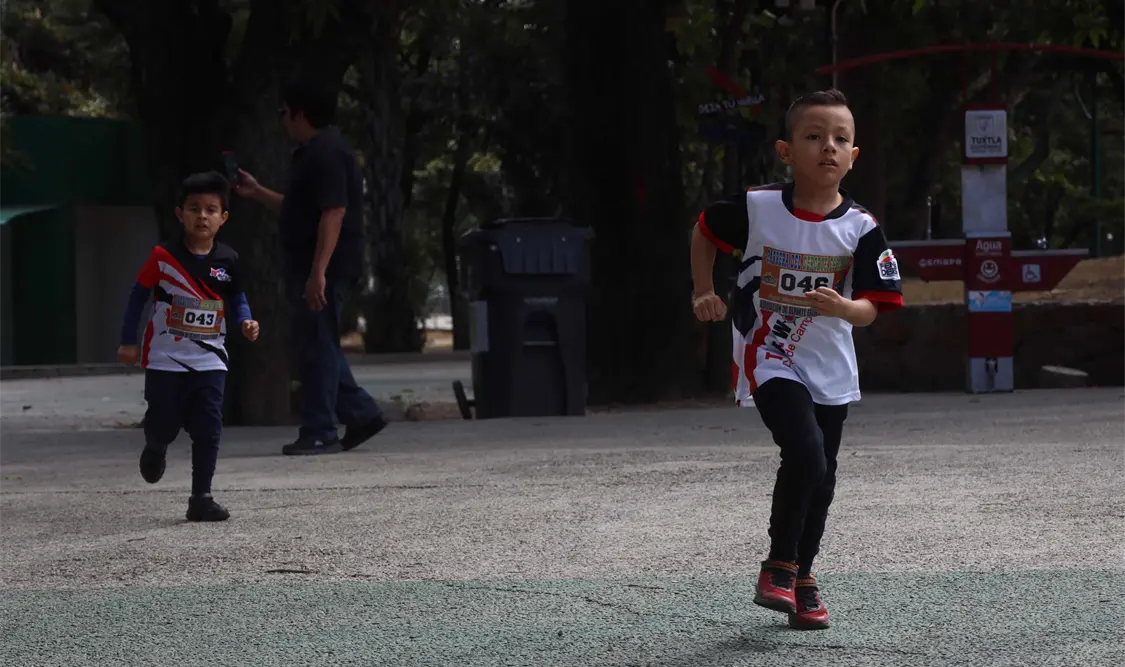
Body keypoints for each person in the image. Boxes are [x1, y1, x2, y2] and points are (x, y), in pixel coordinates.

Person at [689, 89, 903, 630]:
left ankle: (802, 578)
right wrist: (701, 290)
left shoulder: (860, 227)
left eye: (840, 139)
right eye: (813, 137)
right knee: (805, 454)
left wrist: (844, 306)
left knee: (823, 477)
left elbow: (874, 309)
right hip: (771, 354)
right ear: (786, 151)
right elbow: (704, 230)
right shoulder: (758, 208)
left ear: (854, 156)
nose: (827, 147)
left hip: (829, 364)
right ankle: (777, 567)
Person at [235, 78, 387, 456]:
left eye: (285, 112)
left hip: (325, 267)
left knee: (317, 347)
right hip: (312, 264)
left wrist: (319, 271)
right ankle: (361, 413)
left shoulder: (328, 152)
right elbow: (299, 209)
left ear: (300, 113)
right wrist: (256, 192)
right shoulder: (311, 153)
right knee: (319, 343)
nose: (283, 120)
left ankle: (320, 429)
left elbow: (334, 211)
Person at [117, 171, 260, 522]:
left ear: (223, 218)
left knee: (209, 428)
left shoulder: (228, 260)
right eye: (194, 208)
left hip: (210, 360)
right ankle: (156, 444)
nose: (203, 216)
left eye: (212, 209)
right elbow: (138, 296)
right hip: (165, 359)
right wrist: (127, 342)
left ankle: (201, 497)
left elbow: (237, 296)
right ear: (180, 214)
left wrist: (246, 320)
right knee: (164, 421)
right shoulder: (164, 256)